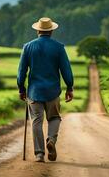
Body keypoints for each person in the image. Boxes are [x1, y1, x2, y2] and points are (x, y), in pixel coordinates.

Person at [17, 17, 74, 162]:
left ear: (37, 30)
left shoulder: (28, 47)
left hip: (34, 92)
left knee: (36, 120)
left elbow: (21, 72)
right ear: (52, 31)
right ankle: (51, 140)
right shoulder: (59, 47)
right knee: (54, 118)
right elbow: (66, 70)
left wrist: (21, 88)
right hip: (53, 91)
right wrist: (69, 87)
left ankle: (39, 154)